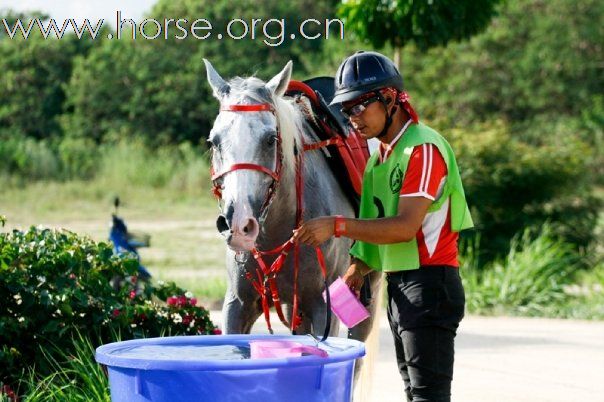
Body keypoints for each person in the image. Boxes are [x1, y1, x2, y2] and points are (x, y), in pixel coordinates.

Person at [293, 50, 474, 402]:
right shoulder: (380, 157)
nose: (352, 119)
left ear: (390, 99)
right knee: (414, 390)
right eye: (346, 110)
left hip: (431, 284)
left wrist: (337, 225)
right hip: (401, 285)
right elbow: (377, 225)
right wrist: (357, 268)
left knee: (428, 396)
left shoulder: (422, 149)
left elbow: (404, 227)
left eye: (359, 106)